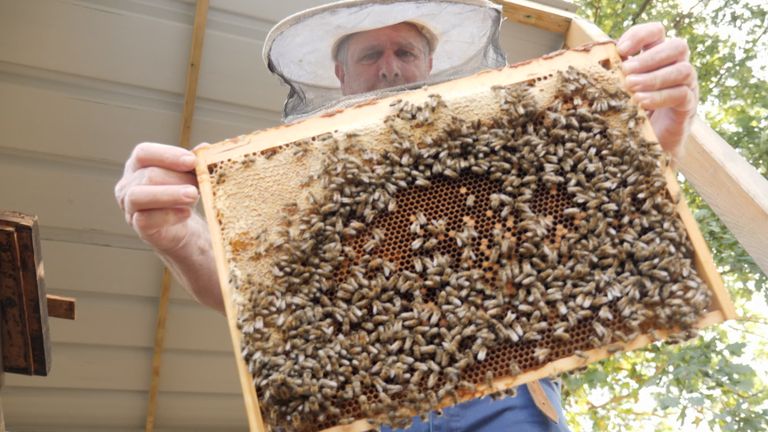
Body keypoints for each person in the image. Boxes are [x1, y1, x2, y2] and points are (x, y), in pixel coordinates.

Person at [114, 1, 698, 430]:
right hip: (356, 405)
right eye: (371, 53)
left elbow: (594, 225)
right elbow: (260, 297)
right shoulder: (293, 184)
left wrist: (654, 142)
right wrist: (181, 240)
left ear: (430, 63)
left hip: (502, 400)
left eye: (404, 51)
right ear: (340, 75)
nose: (390, 68)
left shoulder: (495, 145)